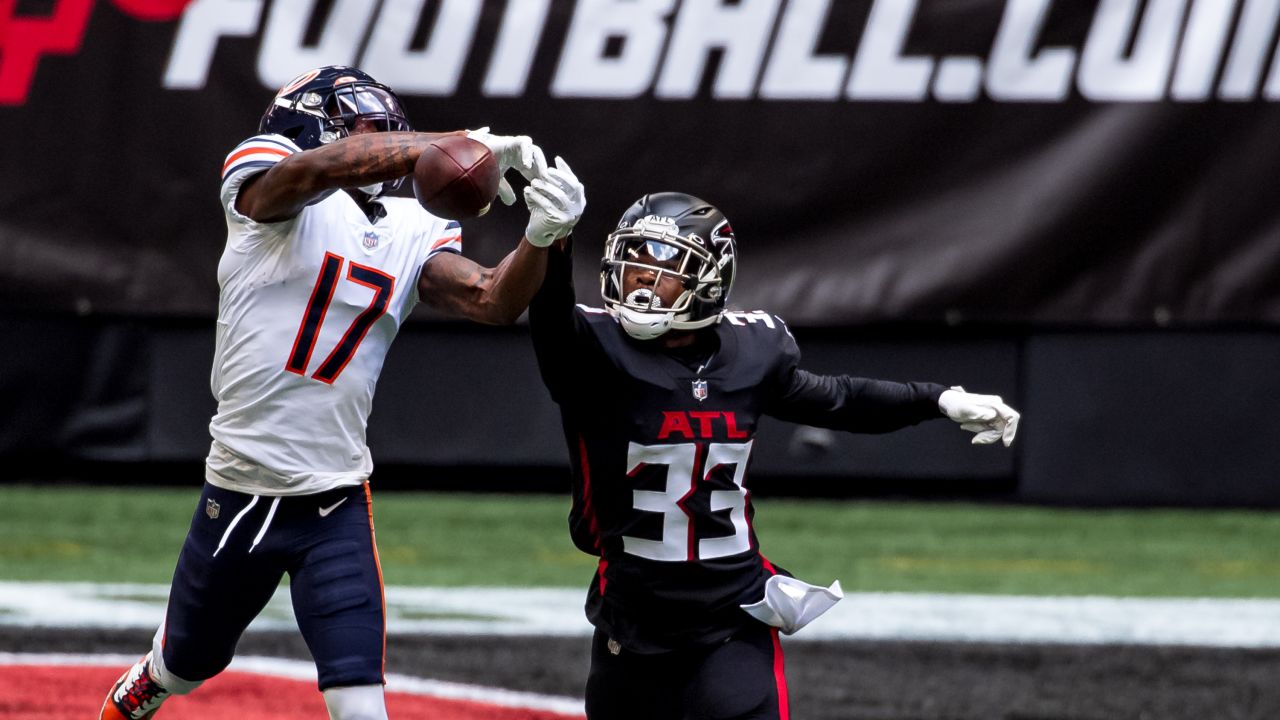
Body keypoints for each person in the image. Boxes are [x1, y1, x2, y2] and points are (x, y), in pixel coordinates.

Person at [99, 65, 585, 720]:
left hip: (335, 500)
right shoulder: (265, 184)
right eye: (373, 129)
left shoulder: (412, 226)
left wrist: (544, 236)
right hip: (242, 490)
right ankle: (159, 667)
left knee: (360, 704)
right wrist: (442, 143)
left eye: (395, 133)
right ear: (314, 123)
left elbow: (491, 300)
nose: (392, 143)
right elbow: (315, 173)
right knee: (190, 663)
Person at [527, 191, 1019, 719]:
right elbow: (551, 320)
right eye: (635, 261)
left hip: (730, 620)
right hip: (630, 623)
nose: (642, 278)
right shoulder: (595, 352)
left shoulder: (751, 354)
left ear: (710, 280)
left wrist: (938, 399)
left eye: (665, 265)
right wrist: (550, 237)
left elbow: (840, 398)